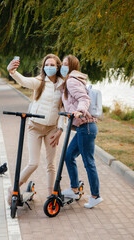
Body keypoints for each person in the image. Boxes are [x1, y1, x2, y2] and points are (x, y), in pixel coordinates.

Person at [7, 54, 64, 204]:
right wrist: (12, 72)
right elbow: (24, 81)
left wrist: (60, 130)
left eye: (52, 65)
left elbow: (63, 110)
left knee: (51, 164)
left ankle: (51, 195)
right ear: (43, 67)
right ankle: (14, 187)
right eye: (47, 64)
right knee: (34, 162)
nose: (49, 67)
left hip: (52, 129)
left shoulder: (62, 85)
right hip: (35, 127)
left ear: (58, 67)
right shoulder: (39, 82)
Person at [60, 55, 103, 208]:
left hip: (86, 127)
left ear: (72, 67)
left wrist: (79, 111)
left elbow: (84, 99)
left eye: (66, 64)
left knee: (88, 162)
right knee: (69, 155)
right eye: (62, 63)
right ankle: (74, 188)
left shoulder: (71, 81)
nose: (62, 66)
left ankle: (95, 196)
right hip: (82, 128)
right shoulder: (68, 81)